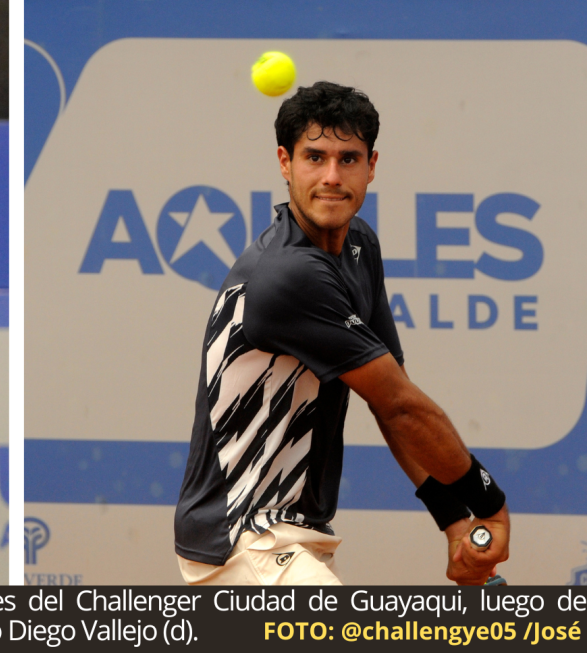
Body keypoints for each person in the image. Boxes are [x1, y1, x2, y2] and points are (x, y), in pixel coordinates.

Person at [174, 81, 510, 586]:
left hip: (294, 536)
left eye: (348, 159)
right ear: (285, 163)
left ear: (371, 166)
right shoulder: (287, 274)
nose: (332, 177)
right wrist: (490, 505)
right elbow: (401, 405)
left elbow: (388, 403)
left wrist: (454, 519)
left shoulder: (358, 246)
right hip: (242, 539)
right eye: (315, 157)